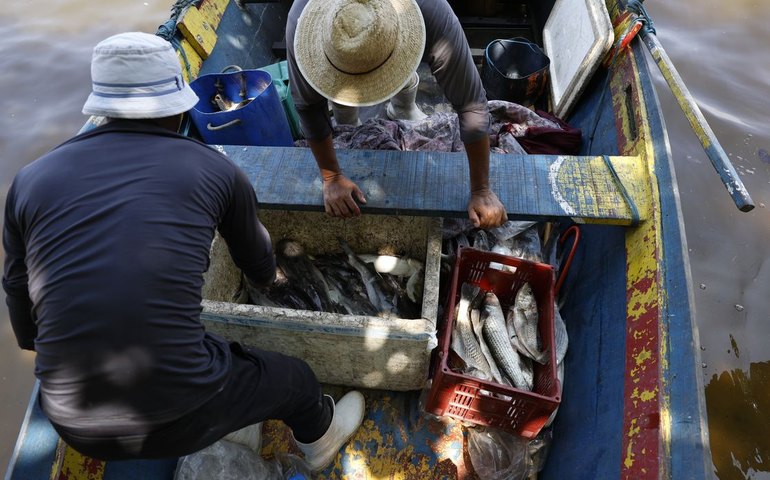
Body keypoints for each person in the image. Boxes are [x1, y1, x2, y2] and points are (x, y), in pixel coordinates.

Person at [2, 31, 363, 471]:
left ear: (99, 106)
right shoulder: (216, 169)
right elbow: (261, 269)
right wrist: (274, 275)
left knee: (209, 347)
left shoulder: (29, 180)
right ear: (178, 107)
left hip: (69, 420)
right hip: (179, 411)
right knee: (298, 380)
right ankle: (320, 441)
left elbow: (25, 323)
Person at [287, 0, 509, 228]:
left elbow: (470, 104)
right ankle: (346, 114)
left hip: (406, 31)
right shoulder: (301, 24)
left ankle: (402, 107)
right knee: (343, 111)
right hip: (337, 64)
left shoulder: (431, 11)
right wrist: (331, 177)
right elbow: (308, 107)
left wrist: (481, 189)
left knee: (393, 70)